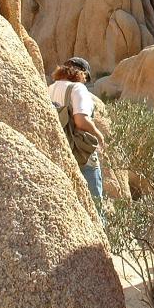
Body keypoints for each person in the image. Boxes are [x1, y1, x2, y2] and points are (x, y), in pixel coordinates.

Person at [48, 57, 105, 215]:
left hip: (59, 152)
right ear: (83, 74)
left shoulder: (50, 88)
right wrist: (99, 135)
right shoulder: (78, 89)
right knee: (95, 205)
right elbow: (81, 120)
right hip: (80, 152)